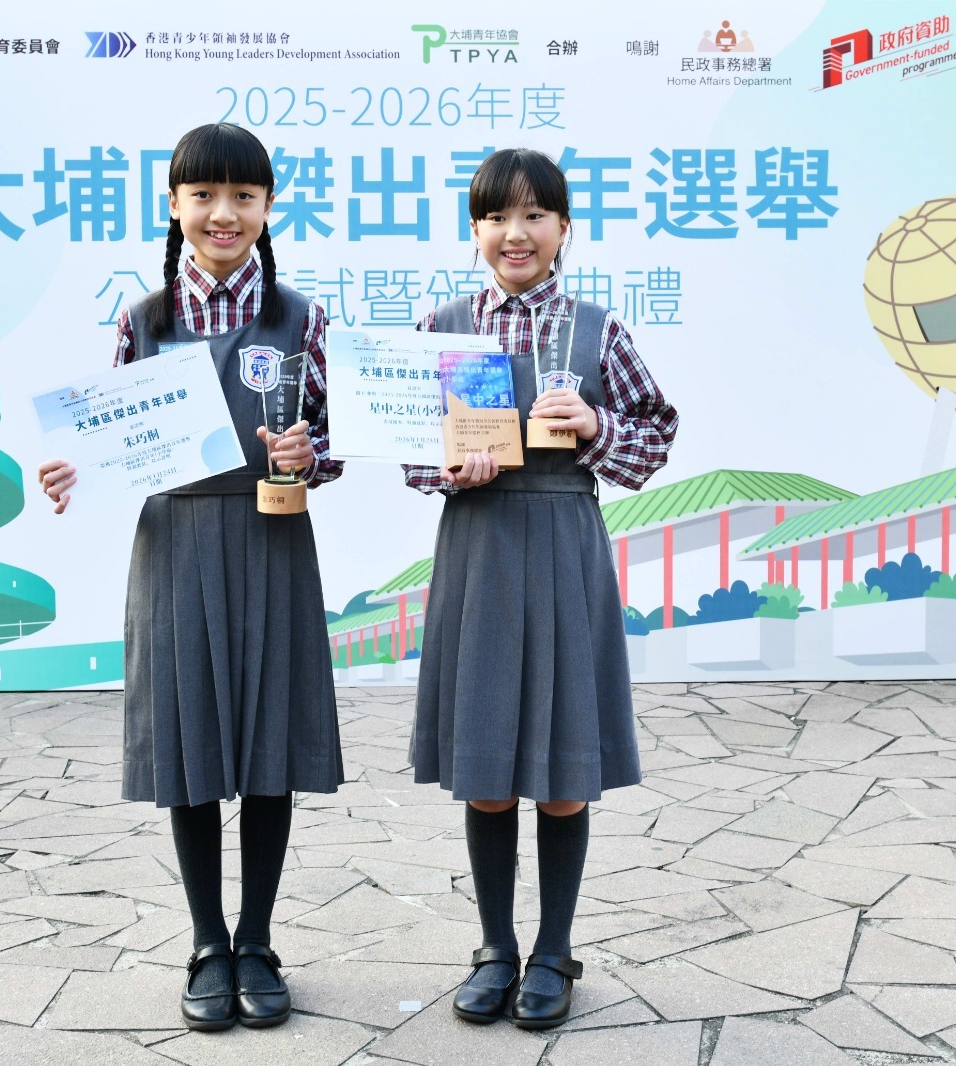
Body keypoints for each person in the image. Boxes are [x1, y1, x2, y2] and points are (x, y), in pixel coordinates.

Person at [38, 123, 343, 1033]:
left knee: (271, 741)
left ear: (268, 208)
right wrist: (72, 469)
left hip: (273, 537)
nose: (223, 214)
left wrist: (311, 452)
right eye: (204, 195)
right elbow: (113, 441)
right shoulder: (144, 320)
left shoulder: (301, 319)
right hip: (174, 546)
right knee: (191, 742)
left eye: (243, 196)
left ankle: (259, 942)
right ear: (174, 205)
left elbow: (336, 438)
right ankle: (209, 943)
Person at [402, 148, 678, 1029]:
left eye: (533, 216)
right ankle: (495, 949)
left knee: (562, 772)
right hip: (479, 544)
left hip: (564, 540)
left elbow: (655, 433)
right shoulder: (444, 327)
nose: (514, 234)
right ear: (475, 229)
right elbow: (409, 450)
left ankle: (554, 951)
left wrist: (595, 425)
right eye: (495, 217)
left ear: (564, 227)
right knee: (486, 769)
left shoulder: (598, 330)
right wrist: (452, 469)